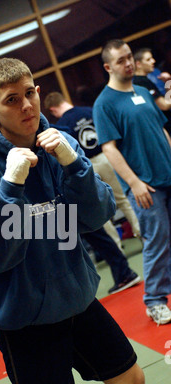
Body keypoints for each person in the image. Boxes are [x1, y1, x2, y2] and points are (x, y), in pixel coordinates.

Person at [0, 58, 148, 384]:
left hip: (76, 300)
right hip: (24, 319)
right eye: (12, 100)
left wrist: (73, 165)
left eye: (30, 93)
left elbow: (97, 217)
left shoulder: (62, 144)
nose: (26, 105)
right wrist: (10, 184)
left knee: (132, 381)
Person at [93, 39, 171, 326]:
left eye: (130, 57)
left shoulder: (142, 91)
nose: (128, 63)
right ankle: (154, 301)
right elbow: (109, 148)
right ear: (108, 66)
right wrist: (134, 183)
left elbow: (162, 131)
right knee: (157, 241)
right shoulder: (104, 103)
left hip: (168, 174)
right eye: (121, 60)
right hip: (145, 185)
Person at [44, 91, 141, 252]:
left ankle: (116, 248)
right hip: (107, 156)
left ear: (53, 109)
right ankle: (141, 233)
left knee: (98, 208)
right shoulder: (89, 111)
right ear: (64, 100)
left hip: (87, 165)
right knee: (123, 198)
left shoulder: (62, 125)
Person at [133, 48, 171, 133]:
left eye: (152, 58)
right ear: (138, 64)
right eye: (148, 59)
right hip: (163, 128)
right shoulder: (141, 82)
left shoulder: (143, 80)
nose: (153, 61)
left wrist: (168, 83)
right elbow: (164, 105)